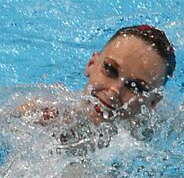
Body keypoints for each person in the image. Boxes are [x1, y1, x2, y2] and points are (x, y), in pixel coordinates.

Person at [16, 24, 176, 141]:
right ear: (91, 64)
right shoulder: (41, 114)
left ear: (153, 102)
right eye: (110, 70)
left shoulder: (162, 141)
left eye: (136, 87)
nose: (114, 91)